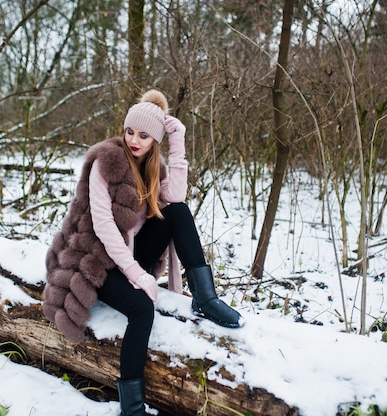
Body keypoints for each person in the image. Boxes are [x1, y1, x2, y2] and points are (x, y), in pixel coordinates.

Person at [43, 89, 243, 416]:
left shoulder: (153, 166)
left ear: (155, 141)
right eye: (130, 131)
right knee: (142, 309)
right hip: (95, 260)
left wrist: (177, 141)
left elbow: (175, 196)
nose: (134, 140)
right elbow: (105, 226)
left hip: (129, 253)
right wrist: (136, 274)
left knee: (177, 211)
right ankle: (132, 408)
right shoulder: (105, 163)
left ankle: (205, 298)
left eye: (144, 135)